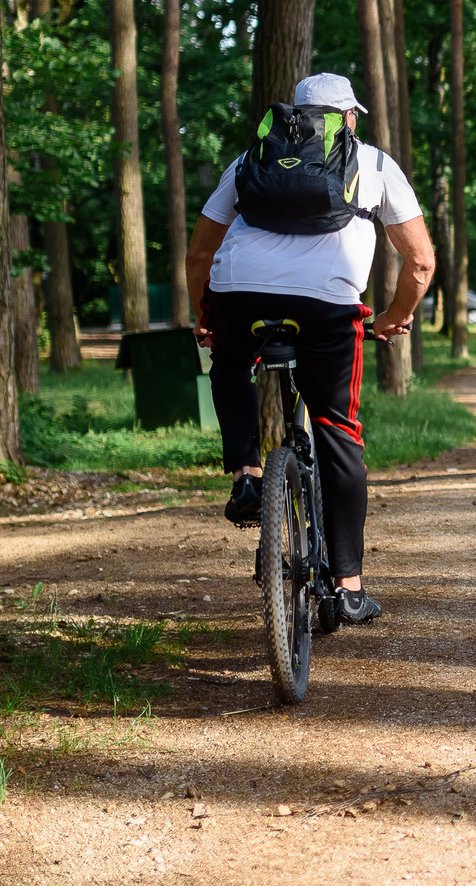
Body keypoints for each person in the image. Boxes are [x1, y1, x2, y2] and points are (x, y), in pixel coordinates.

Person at [186, 73, 436, 627]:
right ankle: (348, 586)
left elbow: (200, 254)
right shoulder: (372, 163)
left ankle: (249, 474)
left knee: (229, 361)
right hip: (327, 308)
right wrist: (393, 319)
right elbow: (420, 262)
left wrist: (206, 319)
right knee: (338, 429)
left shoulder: (249, 159)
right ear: (347, 116)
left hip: (239, 295)